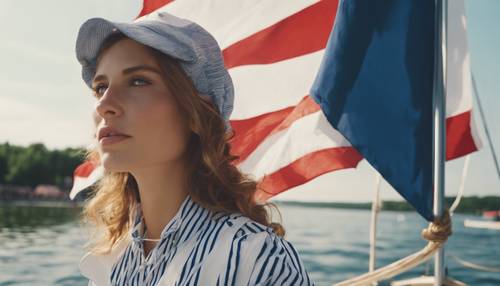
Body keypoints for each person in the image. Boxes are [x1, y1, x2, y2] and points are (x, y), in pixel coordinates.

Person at [74, 12, 314, 286]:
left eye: (138, 81)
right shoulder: (111, 259)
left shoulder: (255, 257)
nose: (105, 104)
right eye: (101, 87)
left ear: (194, 114)